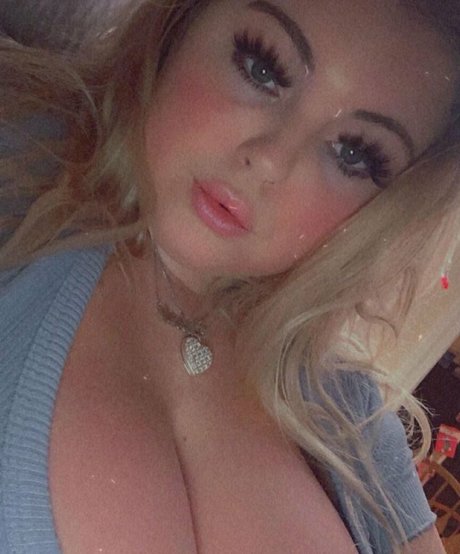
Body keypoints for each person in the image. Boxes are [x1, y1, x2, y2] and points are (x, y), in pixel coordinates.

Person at [0, 0, 459, 552]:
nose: (271, 161)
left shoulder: (350, 416)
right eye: (262, 67)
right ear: (183, 20)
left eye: (354, 153)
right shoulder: (17, 169)